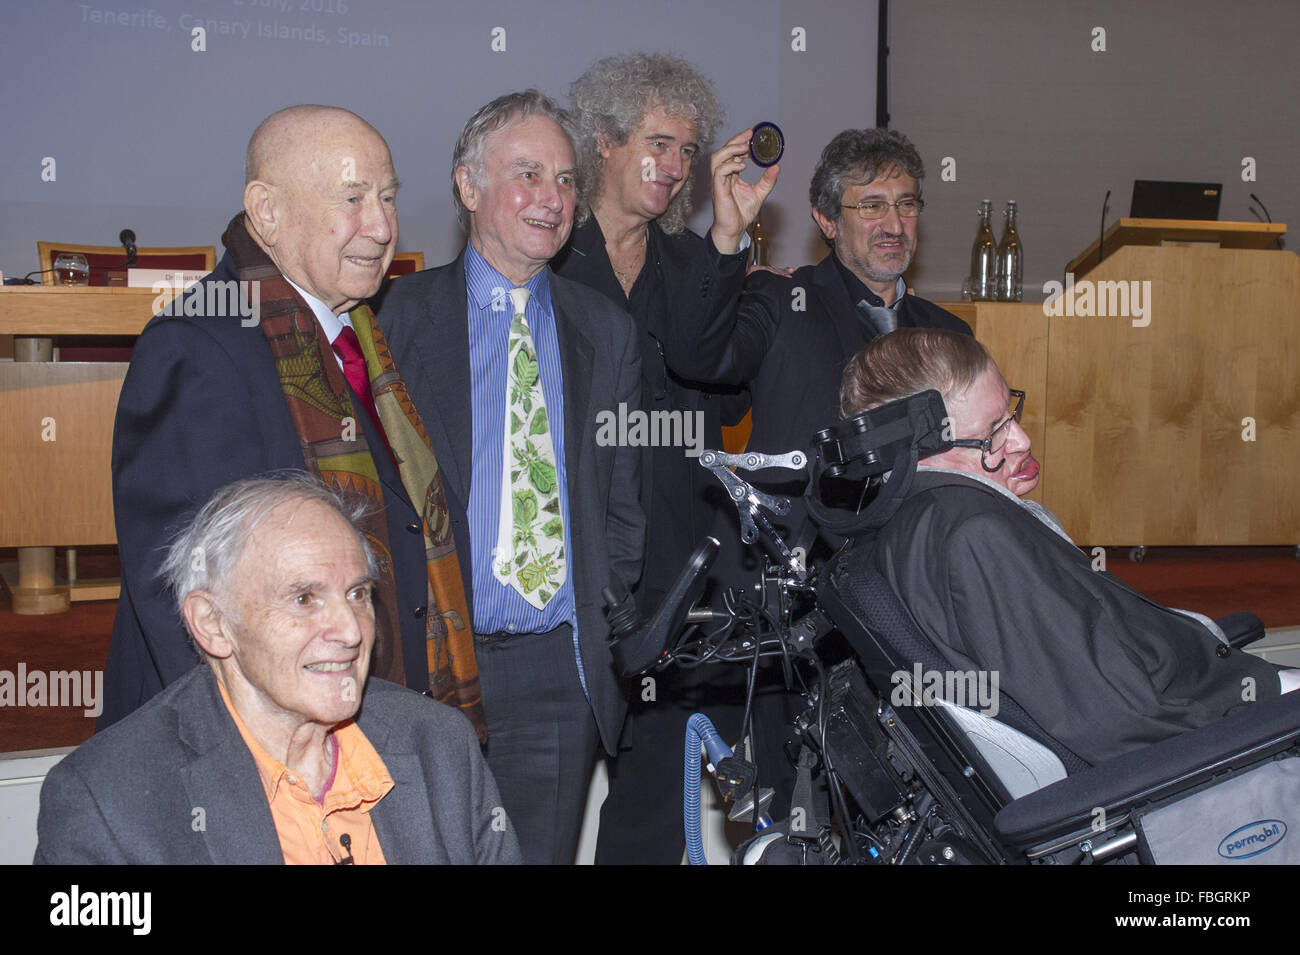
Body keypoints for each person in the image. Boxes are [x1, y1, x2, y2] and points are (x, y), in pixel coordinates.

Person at [102, 106, 481, 741]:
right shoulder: (198, 348)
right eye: (353, 199)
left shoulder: (363, 338)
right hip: (255, 751)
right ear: (267, 211)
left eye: (387, 198)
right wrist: (244, 766)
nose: (383, 226)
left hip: (368, 721)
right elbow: (182, 597)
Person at [375, 90, 644, 864]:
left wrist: (600, 613)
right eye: (528, 174)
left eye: (565, 181)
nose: (553, 200)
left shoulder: (607, 332)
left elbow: (623, 508)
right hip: (426, 665)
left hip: (553, 677)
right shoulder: (394, 320)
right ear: (468, 186)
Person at [838, 328, 1294, 765]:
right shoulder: (976, 536)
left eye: (1011, 414)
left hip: (1198, 696)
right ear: (919, 449)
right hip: (1210, 729)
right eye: (994, 430)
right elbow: (1120, 726)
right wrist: (1249, 733)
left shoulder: (912, 518)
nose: (1022, 439)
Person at [36, 474, 519, 864]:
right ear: (213, 623)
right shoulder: (108, 800)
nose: (351, 630)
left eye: (357, 593)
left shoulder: (440, 745)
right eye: (304, 598)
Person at [554, 51, 777, 865]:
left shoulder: (697, 260)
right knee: (554, 785)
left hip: (689, 557)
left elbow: (722, 386)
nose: (676, 166)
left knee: (658, 795)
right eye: (659, 144)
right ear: (604, 142)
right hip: (586, 560)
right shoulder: (548, 258)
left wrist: (728, 243)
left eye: (688, 151)